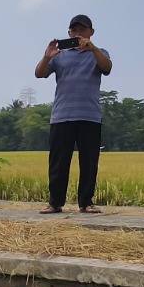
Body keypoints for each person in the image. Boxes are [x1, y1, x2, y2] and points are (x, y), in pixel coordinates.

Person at [35, 14, 113, 215]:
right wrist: (47, 56)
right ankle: (55, 203)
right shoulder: (59, 55)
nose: (78, 33)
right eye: (74, 30)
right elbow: (39, 73)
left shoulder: (99, 53)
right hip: (62, 115)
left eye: (82, 30)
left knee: (89, 162)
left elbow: (107, 68)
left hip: (90, 116)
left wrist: (92, 48)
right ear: (69, 32)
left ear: (91, 32)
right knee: (59, 162)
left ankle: (86, 202)